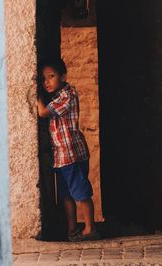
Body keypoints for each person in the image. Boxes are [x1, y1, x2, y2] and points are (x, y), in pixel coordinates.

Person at [35, 58, 100, 242]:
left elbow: (43, 112)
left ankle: (90, 228)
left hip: (72, 153)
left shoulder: (67, 95)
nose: (46, 82)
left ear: (63, 76)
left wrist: (36, 94)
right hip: (61, 156)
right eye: (43, 79)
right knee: (65, 195)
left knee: (80, 191)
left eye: (51, 76)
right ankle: (72, 230)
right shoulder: (56, 96)